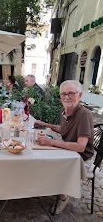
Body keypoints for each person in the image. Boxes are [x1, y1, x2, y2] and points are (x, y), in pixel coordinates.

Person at [34, 80, 94, 214]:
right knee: (41, 155)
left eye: (71, 93)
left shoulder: (84, 115)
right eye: (63, 94)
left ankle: (63, 197)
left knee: (50, 161)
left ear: (79, 95)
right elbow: (64, 130)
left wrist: (52, 142)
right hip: (69, 151)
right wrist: (46, 124)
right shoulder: (65, 111)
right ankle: (46, 186)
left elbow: (80, 147)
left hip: (81, 158)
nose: (66, 97)